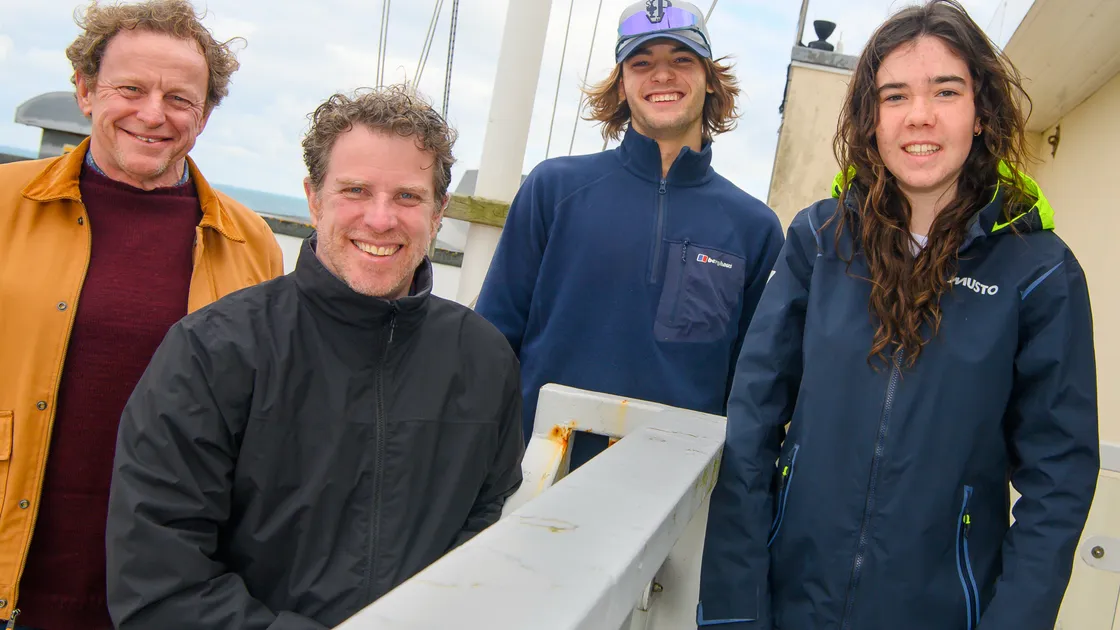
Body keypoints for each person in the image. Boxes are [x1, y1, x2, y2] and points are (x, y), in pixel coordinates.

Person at [698, 2, 1099, 629]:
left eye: (946, 90)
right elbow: (751, 431)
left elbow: (1060, 477)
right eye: (894, 96)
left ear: (981, 110)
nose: (920, 115)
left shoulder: (1039, 271)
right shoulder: (818, 242)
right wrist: (733, 609)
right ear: (871, 118)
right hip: (791, 605)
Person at [104, 86, 524, 630]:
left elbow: (485, 530)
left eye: (407, 197)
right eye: (354, 190)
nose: (379, 219)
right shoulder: (213, 352)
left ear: (439, 211)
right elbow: (157, 585)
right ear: (313, 197)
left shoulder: (483, 358)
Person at [0, 0, 282, 627]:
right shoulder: (2, 206)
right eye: (131, 88)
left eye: (180, 99)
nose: (153, 114)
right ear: (85, 91)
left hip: (168, 592)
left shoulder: (250, 242)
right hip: (11, 570)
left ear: (204, 117)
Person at [475, 0, 783, 462]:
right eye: (642, 63)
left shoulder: (753, 227)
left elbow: (751, 390)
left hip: (673, 493)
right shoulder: (553, 190)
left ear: (710, 80)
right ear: (622, 85)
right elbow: (492, 344)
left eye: (682, 60)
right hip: (536, 473)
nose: (662, 75)